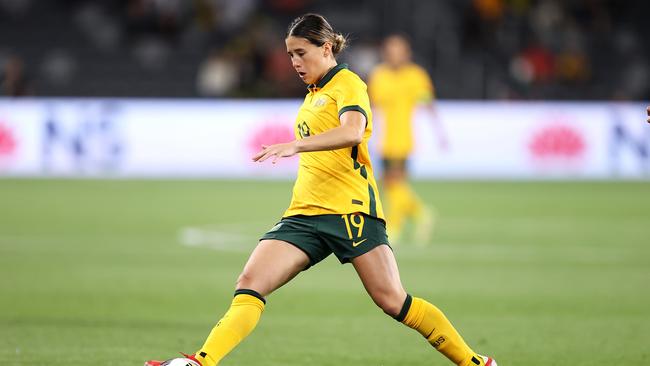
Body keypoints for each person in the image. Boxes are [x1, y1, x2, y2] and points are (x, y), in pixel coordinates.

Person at [146, 14, 496, 366]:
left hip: (350, 212)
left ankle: (475, 362)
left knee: (393, 300)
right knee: (250, 282)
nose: (295, 62)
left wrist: (296, 146)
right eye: (290, 55)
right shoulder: (315, 94)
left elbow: (353, 131)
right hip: (304, 214)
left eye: (301, 52)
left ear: (325, 48)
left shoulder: (348, 84)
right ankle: (200, 362)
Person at [368, 34, 447, 244]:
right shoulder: (379, 75)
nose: (394, 55)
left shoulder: (416, 76)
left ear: (406, 53)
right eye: (391, 51)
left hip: (404, 139)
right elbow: (372, 106)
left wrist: (440, 133)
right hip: (383, 139)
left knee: (395, 182)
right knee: (390, 184)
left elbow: (428, 103)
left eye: (399, 51)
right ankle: (421, 213)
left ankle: (394, 227)